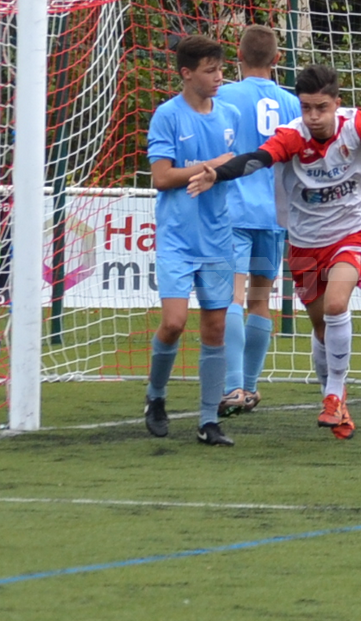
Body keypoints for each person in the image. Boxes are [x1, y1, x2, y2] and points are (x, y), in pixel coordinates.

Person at [188, 64, 361, 440]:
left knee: (337, 305)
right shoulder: (292, 136)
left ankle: (333, 394)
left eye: (321, 108)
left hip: (349, 235)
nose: (313, 116)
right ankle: (337, 405)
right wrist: (217, 173)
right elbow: (255, 159)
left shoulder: (355, 126)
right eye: (306, 107)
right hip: (305, 244)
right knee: (322, 328)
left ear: (336, 104)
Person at [143, 35, 240, 446]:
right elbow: (162, 177)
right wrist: (211, 165)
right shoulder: (167, 116)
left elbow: (240, 166)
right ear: (186, 73)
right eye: (210, 70)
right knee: (174, 322)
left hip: (218, 236)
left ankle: (207, 420)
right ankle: (156, 397)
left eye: (221, 69)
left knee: (215, 327)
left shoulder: (230, 114)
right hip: (178, 238)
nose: (219, 77)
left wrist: (226, 169)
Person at [213, 25, 301, 416]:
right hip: (275, 215)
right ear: (277, 59)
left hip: (232, 213)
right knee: (260, 299)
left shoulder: (224, 95)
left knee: (230, 296)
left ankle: (231, 385)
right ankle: (249, 387)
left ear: (238, 55)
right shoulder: (295, 104)